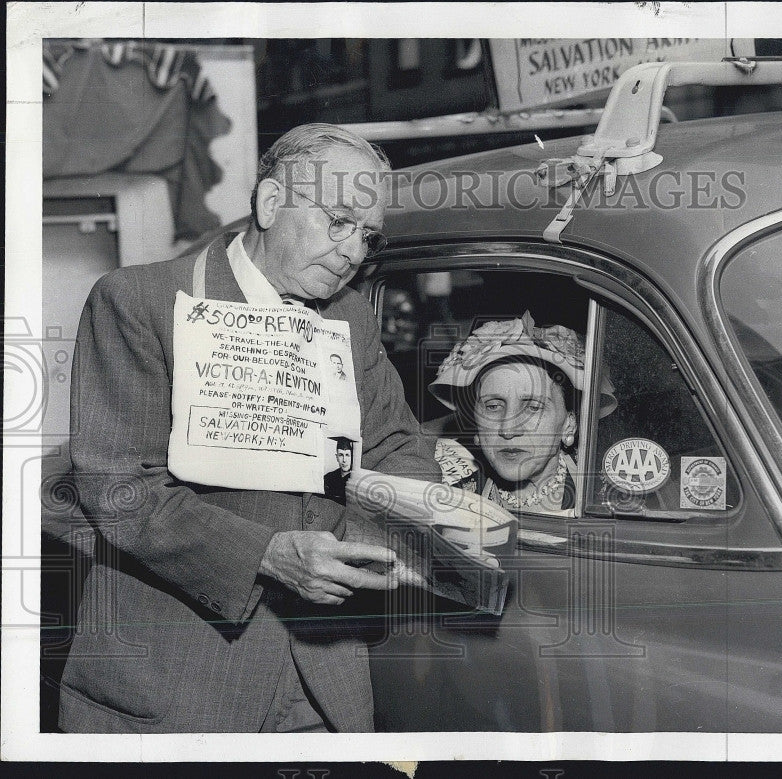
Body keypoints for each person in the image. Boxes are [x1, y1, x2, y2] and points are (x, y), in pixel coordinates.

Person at [61, 123, 440, 733]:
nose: (351, 252)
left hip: (325, 683)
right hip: (177, 688)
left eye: (367, 236)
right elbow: (118, 491)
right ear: (270, 203)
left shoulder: (350, 318)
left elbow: (397, 446)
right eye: (337, 221)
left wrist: (416, 525)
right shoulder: (139, 301)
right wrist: (267, 554)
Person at [429, 312, 616, 515]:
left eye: (532, 407)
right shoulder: (453, 504)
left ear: (568, 424)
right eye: (493, 406)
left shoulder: (609, 498)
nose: (508, 429)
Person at [325, 436, 354, 504]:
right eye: (341, 455)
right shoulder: (328, 478)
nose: (344, 460)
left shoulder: (356, 479)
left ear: (352, 457)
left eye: (347, 455)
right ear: (337, 457)